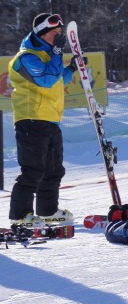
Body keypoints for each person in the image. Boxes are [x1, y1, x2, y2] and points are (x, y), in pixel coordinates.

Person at [7, 13, 78, 227]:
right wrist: (57, 53)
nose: (58, 37)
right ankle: (21, 216)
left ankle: (47, 212)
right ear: (41, 33)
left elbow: (56, 80)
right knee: (32, 170)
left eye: (59, 34)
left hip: (51, 120)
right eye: (54, 33)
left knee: (54, 170)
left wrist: (72, 68)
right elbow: (46, 81)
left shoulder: (48, 57)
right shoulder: (25, 58)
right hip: (31, 119)